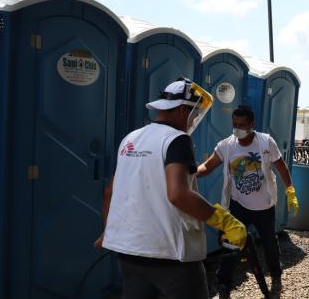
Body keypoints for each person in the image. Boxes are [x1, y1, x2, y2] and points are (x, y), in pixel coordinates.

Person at [94, 79, 247, 299]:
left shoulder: (132, 138)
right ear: (183, 110)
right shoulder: (177, 139)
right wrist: (224, 221)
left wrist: (108, 231)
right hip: (169, 255)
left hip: (129, 253)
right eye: (194, 113)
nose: (194, 119)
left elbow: (110, 192)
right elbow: (178, 194)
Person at [197, 105, 299, 296]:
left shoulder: (266, 142)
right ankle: (224, 284)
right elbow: (208, 166)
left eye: (242, 125)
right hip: (238, 205)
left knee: (270, 244)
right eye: (234, 124)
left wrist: (290, 190)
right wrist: (192, 171)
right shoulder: (227, 145)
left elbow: (281, 167)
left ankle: (276, 276)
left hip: (264, 205)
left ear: (251, 124)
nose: (237, 129)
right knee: (230, 245)